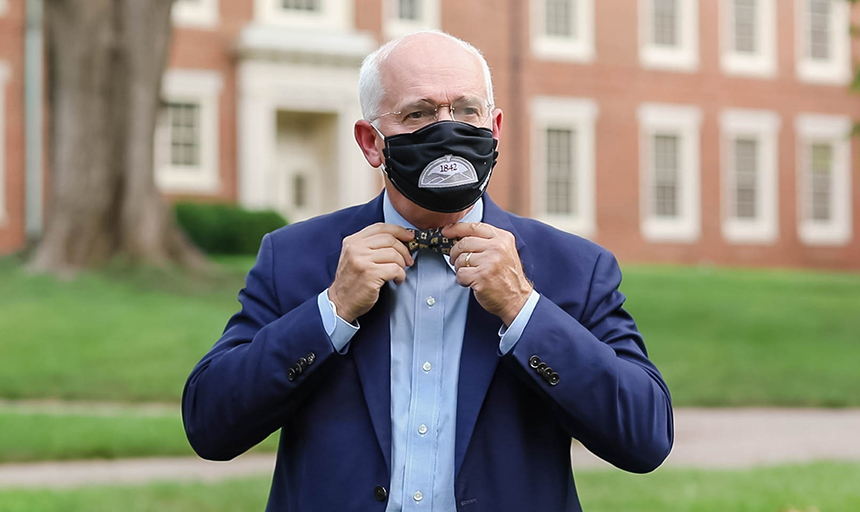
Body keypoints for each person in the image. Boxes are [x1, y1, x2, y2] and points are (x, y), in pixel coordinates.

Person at [182, 30, 673, 512]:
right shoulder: (294, 257)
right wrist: (329, 312)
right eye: (418, 113)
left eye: (466, 111)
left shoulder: (574, 268)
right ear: (371, 142)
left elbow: (644, 437)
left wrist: (524, 310)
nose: (447, 129)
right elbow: (211, 425)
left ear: (495, 129)